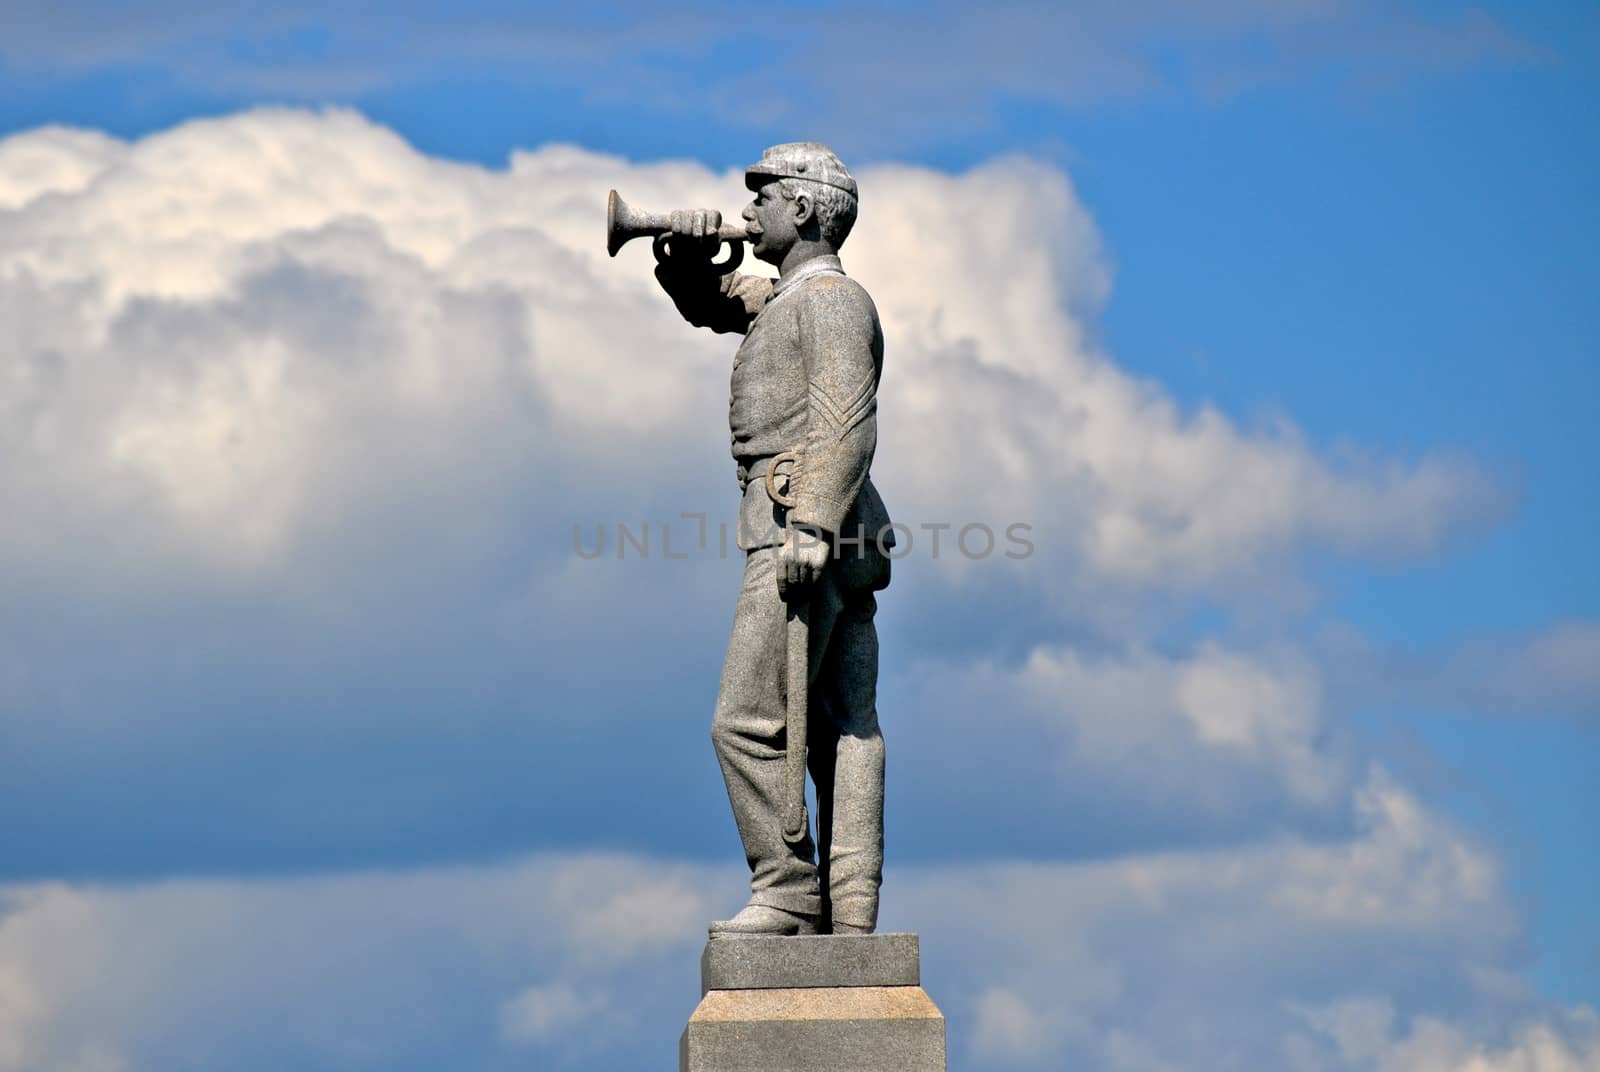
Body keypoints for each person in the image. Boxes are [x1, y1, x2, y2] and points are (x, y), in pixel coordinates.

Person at [653, 143, 893, 937]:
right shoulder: (785, 299)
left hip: (803, 529)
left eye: (765, 196)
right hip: (789, 524)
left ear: (806, 209)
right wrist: (683, 257)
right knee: (827, 726)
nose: (749, 209)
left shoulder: (829, 302)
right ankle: (839, 909)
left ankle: (787, 888)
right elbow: (714, 300)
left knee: (747, 720)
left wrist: (814, 527)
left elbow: (845, 422)